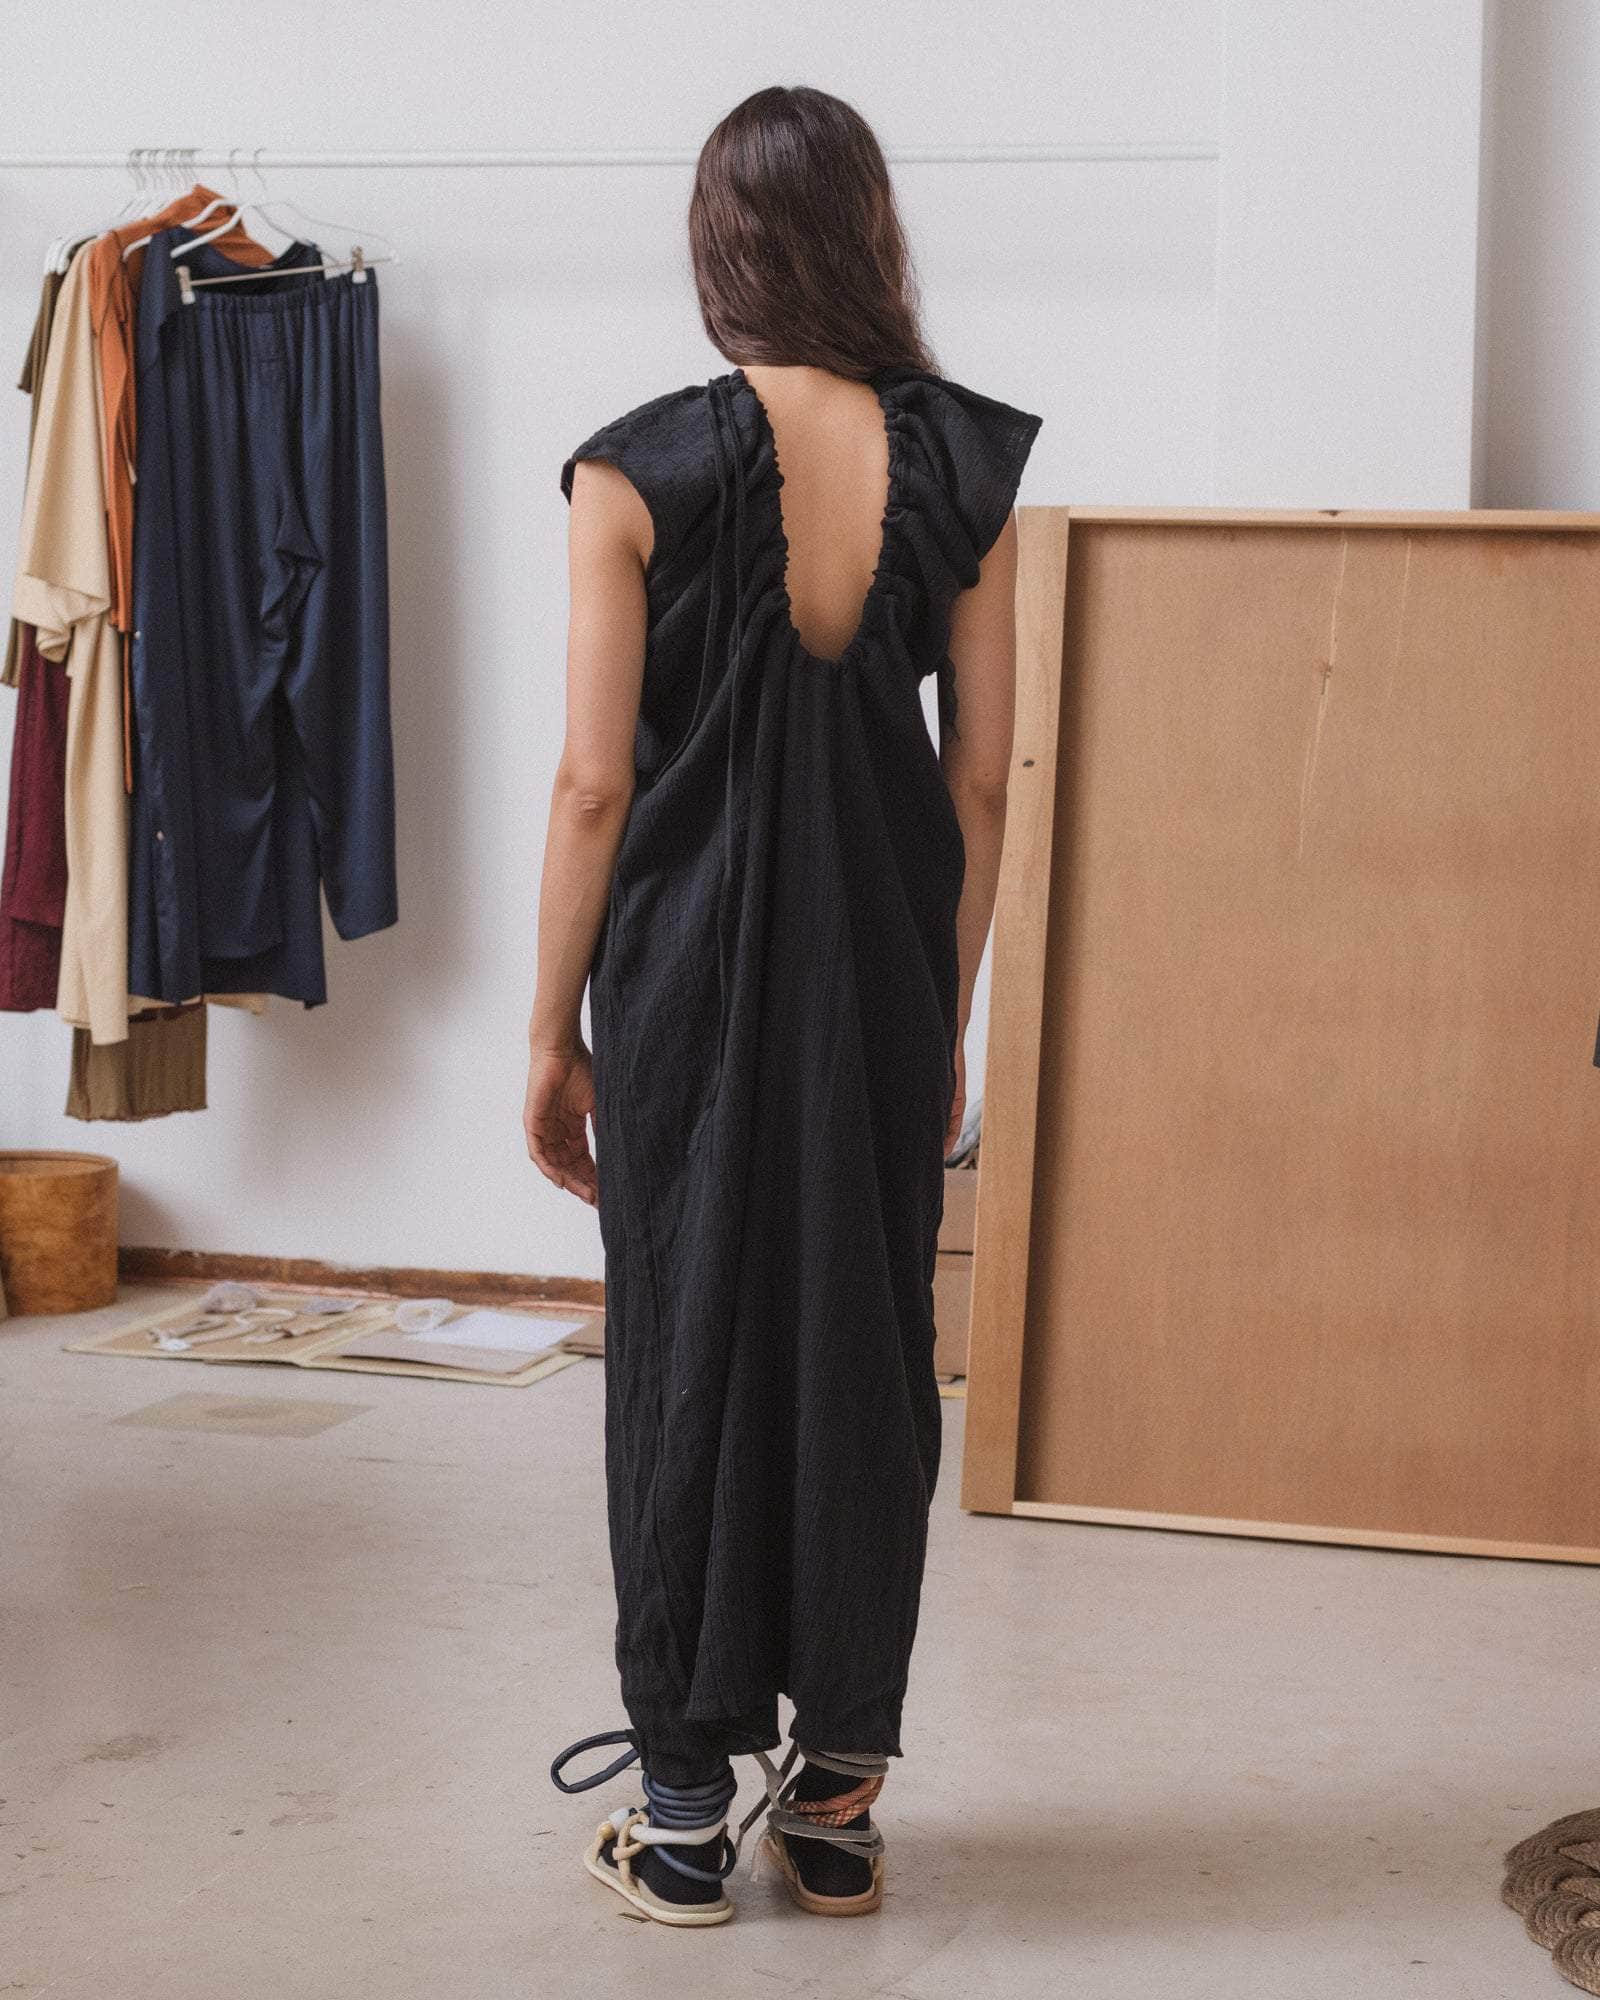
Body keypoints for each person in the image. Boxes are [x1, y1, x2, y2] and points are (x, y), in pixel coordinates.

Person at [524, 83, 1042, 1927]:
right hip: (884, 963)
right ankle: (835, 1805)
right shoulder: (968, 464)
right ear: (870, 233)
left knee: (685, 1347)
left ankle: (680, 1815)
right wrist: (945, 1002)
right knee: (867, 1355)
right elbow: (983, 779)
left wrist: (549, 1032)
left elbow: (595, 786)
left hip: (680, 975)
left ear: (717, 243)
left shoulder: (628, 472)